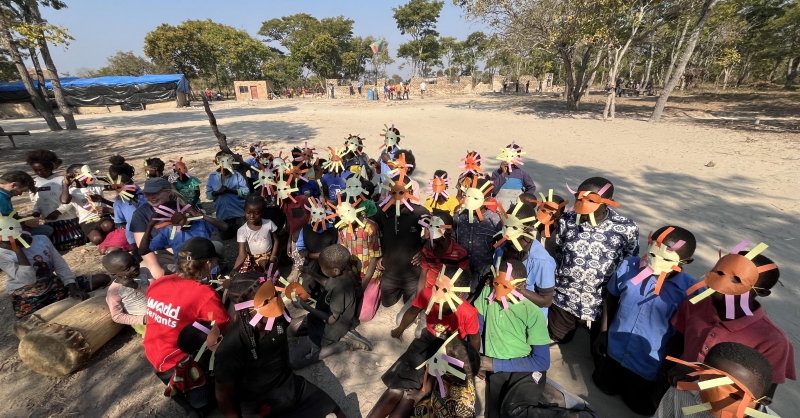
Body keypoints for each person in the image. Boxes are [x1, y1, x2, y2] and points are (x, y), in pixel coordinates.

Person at [593, 226, 697, 415]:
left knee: (639, 406)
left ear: (685, 261)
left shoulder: (690, 292)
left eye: (666, 258)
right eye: (653, 252)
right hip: (615, 350)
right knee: (604, 386)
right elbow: (611, 296)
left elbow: (684, 336)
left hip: (648, 365)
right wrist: (603, 332)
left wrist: (666, 373)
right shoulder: (629, 266)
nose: (656, 261)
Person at [666, 250, 795, 402]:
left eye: (736, 279)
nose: (722, 281)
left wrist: (699, 377)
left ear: (762, 292)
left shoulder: (773, 340)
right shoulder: (694, 305)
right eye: (720, 272)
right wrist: (663, 380)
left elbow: (763, 396)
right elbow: (677, 344)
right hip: (677, 391)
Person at [215, 272, 346, 418]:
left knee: (338, 415)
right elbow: (223, 397)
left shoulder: (279, 316)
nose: (275, 305)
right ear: (245, 309)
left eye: (275, 295)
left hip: (291, 388)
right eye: (265, 302)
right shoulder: (231, 348)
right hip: (260, 407)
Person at [549, 177, 639, 369]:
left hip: (601, 306)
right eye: (579, 198)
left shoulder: (626, 228)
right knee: (559, 337)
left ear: (606, 201)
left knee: (601, 363)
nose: (582, 204)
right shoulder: (567, 220)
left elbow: (629, 264)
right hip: (565, 299)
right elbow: (560, 251)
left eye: (590, 199)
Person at [373, 267, 480, 417]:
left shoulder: (468, 312)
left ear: (460, 294)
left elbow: (475, 338)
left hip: (450, 351)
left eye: (444, 290)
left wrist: (471, 362)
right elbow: (412, 311)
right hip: (426, 341)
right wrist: (399, 329)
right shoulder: (428, 294)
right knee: (397, 387)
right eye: (436, 287)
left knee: (409, 393)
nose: (437, 293)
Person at [143, 237, 230, 416]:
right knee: (205, 399)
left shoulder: (159, 282)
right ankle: (199, 401)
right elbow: (220, 328)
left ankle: (187, 405)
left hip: (155, 354)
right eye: (213, 263)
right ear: (207, 263)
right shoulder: (204, 294)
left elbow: (178, 301)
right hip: (180, 363)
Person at [474, 259, 551, 418]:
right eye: (496, 284)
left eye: (505, 287)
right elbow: (477, 328)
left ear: (522, 287)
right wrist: (477, 357)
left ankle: (570, 415)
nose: (498, 292)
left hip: (526, 368)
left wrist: (494, 364)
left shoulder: (533, 313)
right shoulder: (488, 294)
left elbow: (542, 361)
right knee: (494, 413)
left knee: (515, 412)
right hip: (496, 368)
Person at [289, 245, 372, 370]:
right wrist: (312, 274)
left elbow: (332, 319)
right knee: (290, 330)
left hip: (330, 328)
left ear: (336, 271)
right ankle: (336, 338)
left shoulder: (342, 289)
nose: (320, 269)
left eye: (322, 267)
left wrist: (306, 307)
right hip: (320, 319)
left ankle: (340, 345)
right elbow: (328, 283)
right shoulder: (340, 276)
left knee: (293, 361)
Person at [0, 230, 108, 318]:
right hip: (28, 294)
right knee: (34, 321)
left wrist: (72, 287)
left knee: (102, 279)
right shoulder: (2, 253)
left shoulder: (41, 239)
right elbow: (28, 279)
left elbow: (60, 265)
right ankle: (59, 305)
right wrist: (18, 250)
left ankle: (61, 302)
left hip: (53, 285)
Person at [655, 342, 777, 418]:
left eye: (735, 396)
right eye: (710, 386)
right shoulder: (682, 392)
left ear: (763, 401)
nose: (718, 403)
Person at [374, 175, 429, 308]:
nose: (397, 195)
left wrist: (424, 251)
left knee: (408, 305)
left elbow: (434, 232)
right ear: (388, 192)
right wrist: (377, 256)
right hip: (389, 273)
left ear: (409, 192)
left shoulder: (419, 212)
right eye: (393, 192)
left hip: (412, 275)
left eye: (401, 192)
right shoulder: (382, 212)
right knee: (387, 303)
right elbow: (373, 233)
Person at [499, 202, 556, 317]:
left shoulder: (540, 261)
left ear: (528, 229)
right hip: (506, 315)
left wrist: (516, 288)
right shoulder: (502, 247)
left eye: (514, 227)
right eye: (506, 225)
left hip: (530, 318)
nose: (508, 231)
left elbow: (546, 301)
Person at [139, 199, 228, 270]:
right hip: (185, 270)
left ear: (184, 212)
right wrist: (149, 226)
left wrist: (202, 216)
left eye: (177, 218)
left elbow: (224, 227)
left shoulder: (201, 222)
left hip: (207, 267)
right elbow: (143, 251)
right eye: (169, 221)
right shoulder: (168, 231)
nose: (177, 223)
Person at [453, 177, 502, 289]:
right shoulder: (459, 216)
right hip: (459, 270)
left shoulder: (494, 220)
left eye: (476, 198)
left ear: (488, 199)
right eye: (469, 197)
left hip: (482, 273)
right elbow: (452, 240)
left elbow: (501, 247)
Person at [26, 150, 83, 242]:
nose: (39, 173)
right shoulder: (34, 183)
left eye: (42, 169)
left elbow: (71, 199)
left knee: (72, 239)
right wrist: (36, 212)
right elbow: (36, 201)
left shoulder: (62, 180)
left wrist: (58, 212)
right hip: (49, 221)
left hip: (66, 218)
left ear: (51, 166)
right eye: (36, 170)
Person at [130, 177, 175, 278]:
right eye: (148, 194)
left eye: (155, 193)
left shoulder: (182, 206)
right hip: (160, 253)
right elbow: (142, 245)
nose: (151, 197)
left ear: (168, 192)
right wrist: (154, 266)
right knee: (145, 271)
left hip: (187, 249)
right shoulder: (140, 214)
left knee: (217, 246)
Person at [418, 213, 470, 294]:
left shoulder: (460, 253)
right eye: (431, 226)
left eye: (437, 227)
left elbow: (462, 281)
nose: (432, 230)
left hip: (446, 295)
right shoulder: (427, 248)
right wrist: (419, 299)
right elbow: (422, 276)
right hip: (428, 291)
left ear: (449, 230)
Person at [102, 251, 152, 334]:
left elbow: (157, 292)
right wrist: (144, 319)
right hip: (144, 322)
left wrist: (137, 286)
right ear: (115, 274)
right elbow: (117, 316)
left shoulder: (144, 272)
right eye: (127, 269)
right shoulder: (114, 291)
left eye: (135, 262)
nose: (134, 267)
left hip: (161, 311)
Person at [60, 163, 114, 240]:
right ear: (75, 176)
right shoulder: (72, 191)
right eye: (86, 175)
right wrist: (66, 185)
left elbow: (118, 186)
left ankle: (109, 235)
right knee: (97, 239)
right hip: (87, 221)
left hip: (102, 217)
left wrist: (100, 178)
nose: (89, 176)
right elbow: (64, 201)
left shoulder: (96, 187)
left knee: (108, 226)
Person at [207, 151, 249, 239]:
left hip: (238, 212)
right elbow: (208, 195)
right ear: (217, 162)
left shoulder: (237, 175)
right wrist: (217, 192)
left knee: (244, 234)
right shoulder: (212, 176)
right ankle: (231, 229)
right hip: (222, 213)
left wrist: (231, 191)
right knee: (225, 237)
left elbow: (246, 192)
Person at [233, 195, 279, 273]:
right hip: (252, 259)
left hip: (268, 257)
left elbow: (276, 240)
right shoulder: (242, 231)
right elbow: (242, 254)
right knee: (250, 279)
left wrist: (272, 258)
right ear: (244, 211)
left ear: (262, 212)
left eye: (256, 213)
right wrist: (235, 269)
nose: (252, 216)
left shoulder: (268, 224)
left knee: (269, 279)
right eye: (248, 212)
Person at [491, 143, 536, 209]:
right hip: (497, 208)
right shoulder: (497, 173)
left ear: (518, 158)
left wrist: (523, 199)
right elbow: (493, 190)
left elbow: (531, 187)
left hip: (514, 208)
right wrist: (503, 173)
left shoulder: (522, 173)